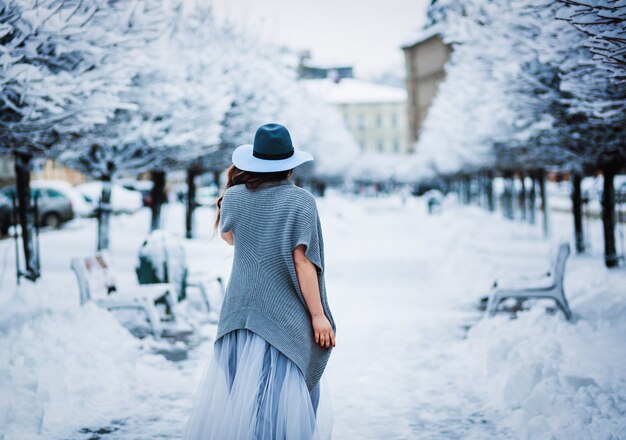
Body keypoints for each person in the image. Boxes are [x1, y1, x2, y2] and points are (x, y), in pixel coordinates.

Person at [183, 123, 336, 439]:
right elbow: (303, 261)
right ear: (289, 164)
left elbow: (230, 237)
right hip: (282, 316)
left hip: (239, 315)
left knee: (245, 405)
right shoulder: (300, 201)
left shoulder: (234, 196)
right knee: (285, 407)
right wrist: (319, 316)